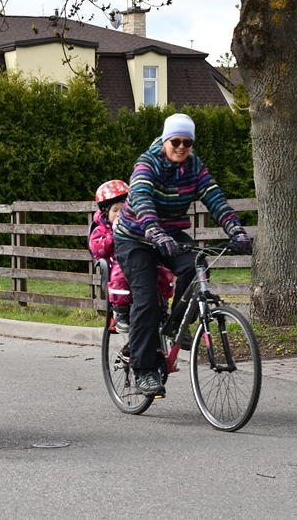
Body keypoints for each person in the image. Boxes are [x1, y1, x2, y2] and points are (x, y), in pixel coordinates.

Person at [114, 113, 251, 398]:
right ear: (166, 140)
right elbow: (141, 199)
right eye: (175, 141)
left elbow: (215, 198)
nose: (181, 146)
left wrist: (235, 229)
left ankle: (175, 324)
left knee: (197, 267)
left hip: (171, 234)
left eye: (187, 142)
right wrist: (154, 232)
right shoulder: (147, 164)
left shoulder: (194, 166)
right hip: (136, 236)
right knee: (147, 298)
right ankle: (144, 370)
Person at [88, 180, 174, 333]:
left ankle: (162, 308)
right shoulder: (102, 230)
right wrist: (115, 235)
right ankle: (120, 313)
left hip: (139, 264)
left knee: (164, 273)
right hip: (117, 265)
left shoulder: (136, 226)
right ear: (105, 213)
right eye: (115, 210)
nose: (120, 215)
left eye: (124, 210)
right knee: (120, 275)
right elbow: (97, 249)